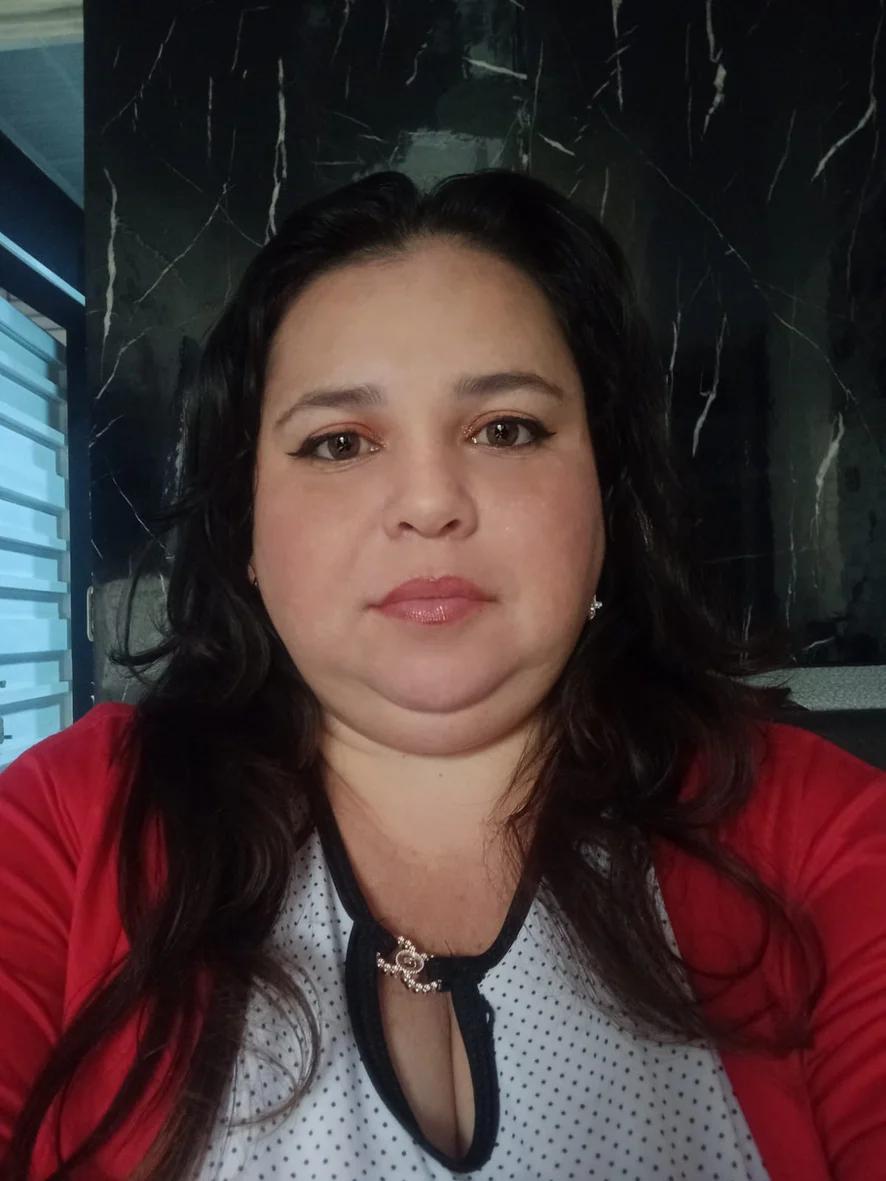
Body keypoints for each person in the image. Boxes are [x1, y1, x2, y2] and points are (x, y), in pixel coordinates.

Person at [1, 169, 885, 1181]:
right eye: (339, 442)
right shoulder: (66, 825)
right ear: (245, 526)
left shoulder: (821, 833)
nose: (429, 501)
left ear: (606, 496)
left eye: (506, 429)